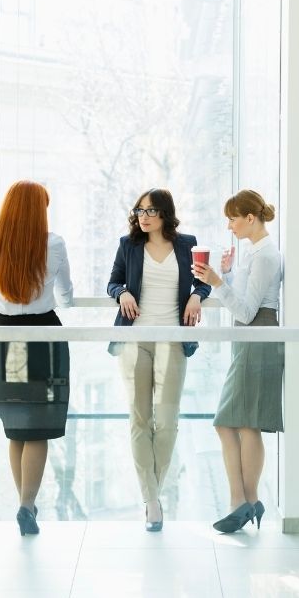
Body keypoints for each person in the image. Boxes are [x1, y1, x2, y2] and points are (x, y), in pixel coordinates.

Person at [107, 188, 210, 532]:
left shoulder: (187, 244)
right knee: (139, 420)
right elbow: (112, 283)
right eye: (139, 210)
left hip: (173, 338)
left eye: (150, 210)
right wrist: (122, 292)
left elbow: (205, 281)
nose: (144, 216)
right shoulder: (129, 245)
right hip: (135, 338)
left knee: (166, 420)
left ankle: (153, 492)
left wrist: (197, 295)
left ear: (165, 213)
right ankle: (151, 501)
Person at [0, 180, 74, 537]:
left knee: (17, 425)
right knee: (39, 427)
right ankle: (26, 505)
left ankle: (25, 504)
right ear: (39, 210)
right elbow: (66, 295)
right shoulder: (54, 244)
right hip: (44, 339)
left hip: (6, 339)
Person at [192, 189, 283, 534]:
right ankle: (245, 501)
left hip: (258, 335)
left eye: (233, 218)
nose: (229, 226)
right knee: (237, 423)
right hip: (249, 337)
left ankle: (243, 501)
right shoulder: (253, 253)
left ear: (250, 218)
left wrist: (217, 282)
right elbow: (244, 300)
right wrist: (227, 276)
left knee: (242, 423)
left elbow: (246, 311)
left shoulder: (266, 256)